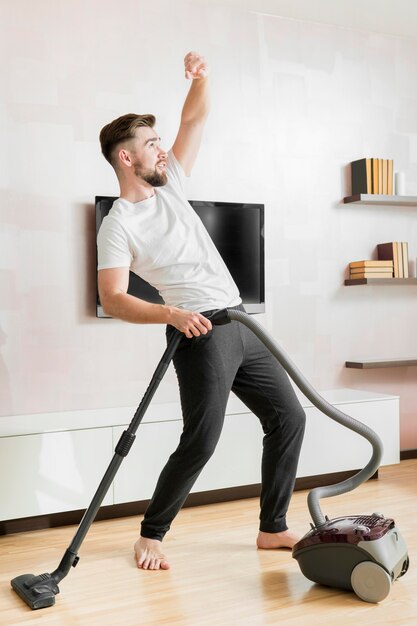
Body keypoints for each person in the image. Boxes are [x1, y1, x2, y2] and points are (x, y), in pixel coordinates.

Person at [97, 51, 306, 571]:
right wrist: (170, 315)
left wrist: (201, 77)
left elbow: (195, 118)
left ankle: (272, 527)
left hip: (240, 321)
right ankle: (152, 534)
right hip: (200, 331)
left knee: (290, 417)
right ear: (127, 159)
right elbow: (113, 298)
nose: (161, 149)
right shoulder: (118, 224)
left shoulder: (176, 184)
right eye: (150, 144)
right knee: (202, 438)